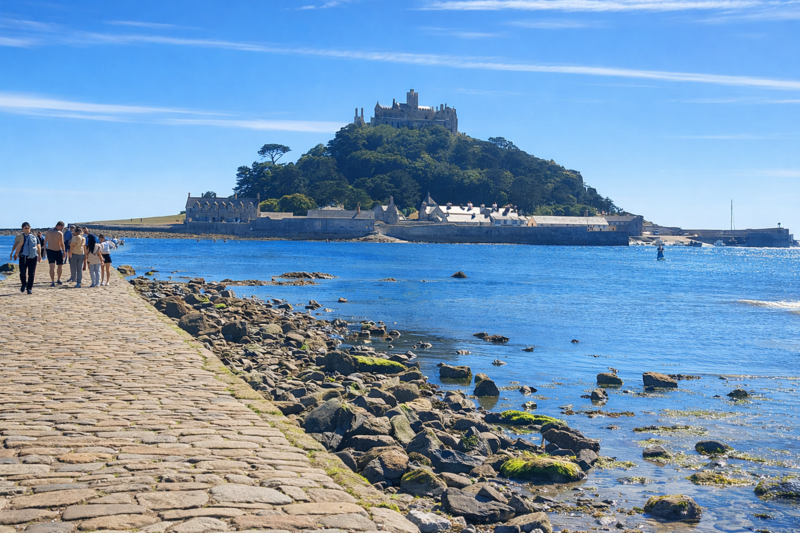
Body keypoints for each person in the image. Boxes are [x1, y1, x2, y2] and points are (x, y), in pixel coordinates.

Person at [10, 222, 42, 294]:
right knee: (22, 272)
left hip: (32, 257)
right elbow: (16, 244)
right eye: (25, 228)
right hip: (23, 257)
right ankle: (24, 284)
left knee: (31, 273)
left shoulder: (34, 237)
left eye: (28, 227)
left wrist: (40, 256)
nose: (27, 229)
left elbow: (38, 246)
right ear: (22, 228)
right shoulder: (20, 236)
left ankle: (29, 288)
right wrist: (13, 253)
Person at [44, 221, 66, 286]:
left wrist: (64, 252)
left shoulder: (60, 233)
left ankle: (58, 279)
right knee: (52, 266)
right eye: (62, 227)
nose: (62, 228)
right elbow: (45, 240)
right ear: (59, 225)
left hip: (58, 250)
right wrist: (44, 248)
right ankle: (52, 281)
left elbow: (62, 243)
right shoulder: (50, 231)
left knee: (60, 266)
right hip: (50, 250)